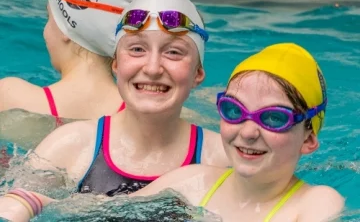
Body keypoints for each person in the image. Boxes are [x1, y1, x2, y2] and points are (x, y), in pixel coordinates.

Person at [0, 0, 229, 222]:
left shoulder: (221, 159)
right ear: (116, 64)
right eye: (137, 49)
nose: (152, 68)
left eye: (173, 52)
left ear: (198, 73)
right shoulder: (69, 147)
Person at [128, 43, 344, 222]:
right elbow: (98, 210)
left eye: (274, 118)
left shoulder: (316, 203)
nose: (249, 132)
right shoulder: (192, 183)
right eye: (234, 110)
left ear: (308, 139)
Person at [0, 0, 138, 124]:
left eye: (49, 18)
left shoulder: (11, 97)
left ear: (67, 29)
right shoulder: (143, 114)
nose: (45, 31)